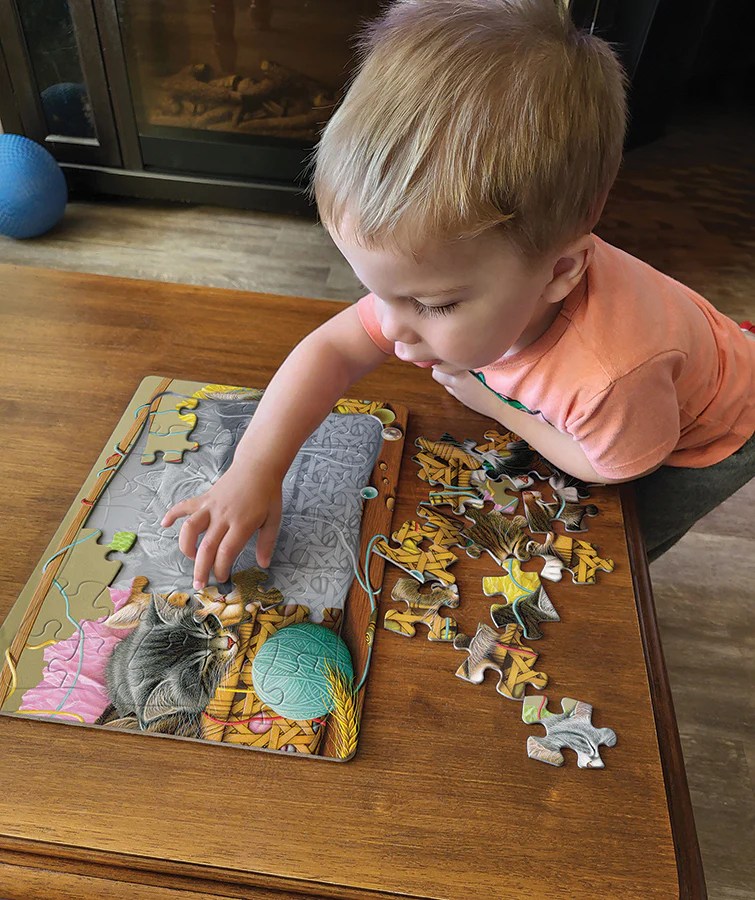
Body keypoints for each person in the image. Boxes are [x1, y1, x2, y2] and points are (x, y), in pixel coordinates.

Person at [162, 0, 755, 587]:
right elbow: (331, 351)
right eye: (375, 290)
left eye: (435, 304)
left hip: (714, 431)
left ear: (559, 272)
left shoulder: (610, 377)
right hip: (646, 381)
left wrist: (490, 402)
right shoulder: (461, 271)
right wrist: (253, 470)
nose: (390, 329)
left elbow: (609, 465)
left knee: (621, 555)